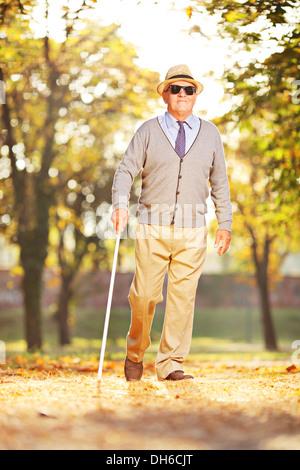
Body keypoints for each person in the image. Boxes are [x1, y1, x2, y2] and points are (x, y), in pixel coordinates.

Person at [111, 64, 233, 381]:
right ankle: (135, 353)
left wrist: (225, 222)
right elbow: (125, 171)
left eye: (188, 89)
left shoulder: (211, 134)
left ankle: (170, 364)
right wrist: (120, 204)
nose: (182, 94)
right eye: (175, 89)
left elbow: (220, 182)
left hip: (194, 229)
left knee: (182, 300)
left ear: (195, 96)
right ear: (165, 94)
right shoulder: (148, 131)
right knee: (144, 296)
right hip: (152, 226)